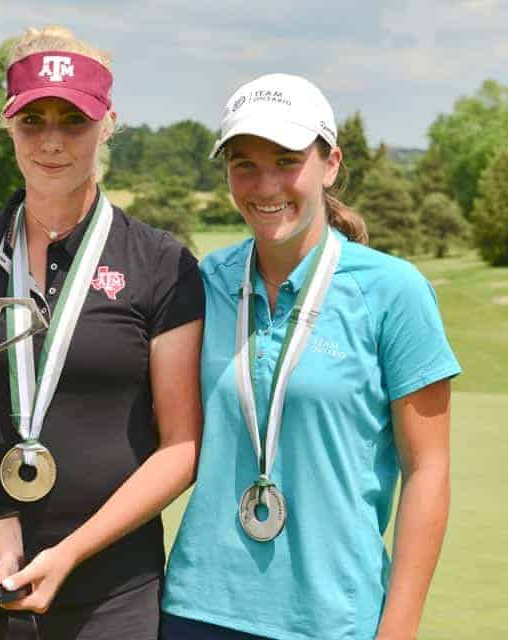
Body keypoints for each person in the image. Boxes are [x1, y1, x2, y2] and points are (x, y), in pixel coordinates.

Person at [0, 26, 205, 640]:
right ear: (8, 123)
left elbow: (180, 447)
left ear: (108, 123)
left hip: (111, 591)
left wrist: (71, 553)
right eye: (32, 120)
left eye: (74, 121)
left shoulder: (161, 263)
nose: (52, 141)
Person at [160, 74, 462, 640]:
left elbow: (428, 470)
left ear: (330, 164)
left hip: (332, 619)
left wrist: (399, 628)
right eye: (244, 164)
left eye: (287, 161)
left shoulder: (393, 291)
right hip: (198, 610)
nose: (265, 184)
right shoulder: (205, 282)